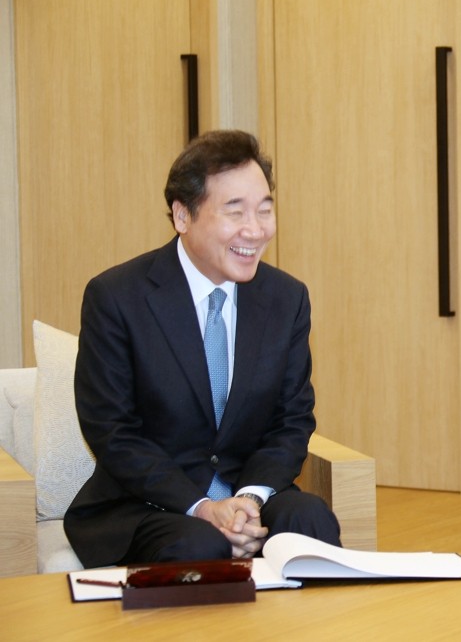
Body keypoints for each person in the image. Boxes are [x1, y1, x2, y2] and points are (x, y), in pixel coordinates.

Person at [65, 130, 341, 567]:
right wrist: (204, 509)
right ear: (182, 215)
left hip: (248, 492)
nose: (255, 229)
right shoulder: (117, 297)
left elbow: (292, 420)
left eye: (264, 210)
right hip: (151, 504)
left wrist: (249, 500)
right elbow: (112, 430)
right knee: (199, 546)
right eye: (235, 211)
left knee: (310, 521)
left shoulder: (286, 299)